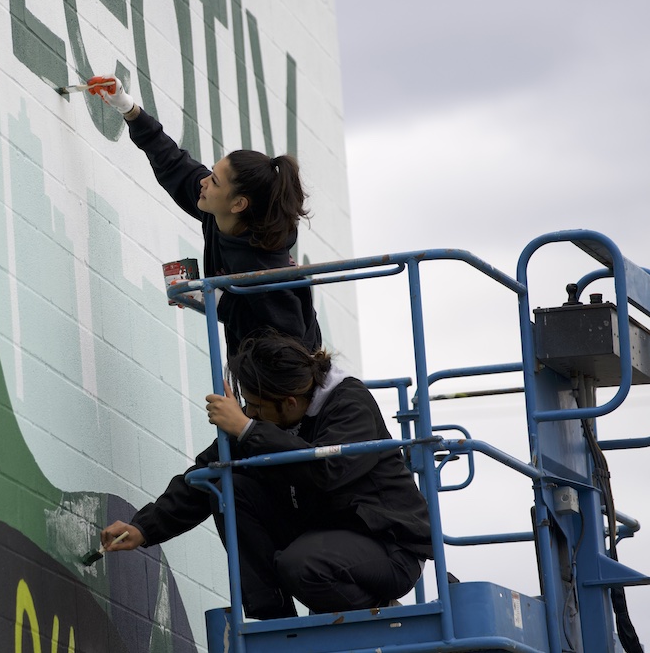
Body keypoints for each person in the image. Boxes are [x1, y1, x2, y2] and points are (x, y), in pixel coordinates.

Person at [98, 333, 432, 618]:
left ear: (288, 403)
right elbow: (206, 474)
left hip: (387, 546)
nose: (250, 413)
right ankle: (277, 624)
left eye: (256, 407)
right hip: (324, 537)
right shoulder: (266, 421)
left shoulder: (349, 403)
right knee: (225, 484)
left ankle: (380, 609)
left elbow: (328, 471)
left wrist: (246, 429)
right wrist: (144, 527)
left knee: (301, 565)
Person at [87, 77, 320, 356]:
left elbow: (290, 341)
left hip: (289, 382)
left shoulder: (262, 266)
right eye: (211, 172)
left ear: (238, 204)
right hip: (252, 370)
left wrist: (211, 297)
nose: (204, 182)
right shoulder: (217, 211)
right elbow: (173, 163)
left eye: (215, 181)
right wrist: (128, 108)